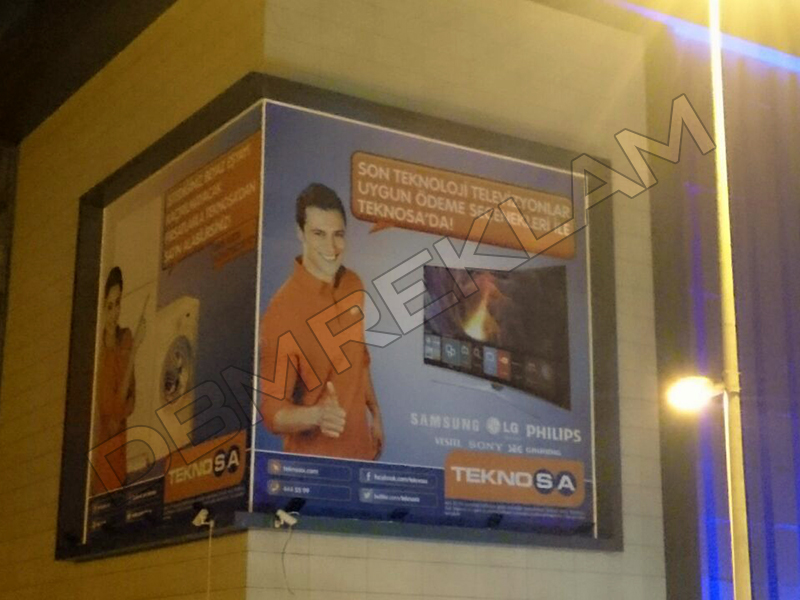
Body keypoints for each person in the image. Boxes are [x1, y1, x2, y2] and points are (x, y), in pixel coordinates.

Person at [259, 183, 384, 460]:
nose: (331, 247)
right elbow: (272, 412)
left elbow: (359, 359)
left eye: (338, 234)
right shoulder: (280, 312)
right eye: (319, 234)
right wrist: (317, 415)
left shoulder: (353, 284)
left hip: (362, 455)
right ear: (300, 233)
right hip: (312, 468)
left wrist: (375, 413)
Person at [91, 266, 146, 493]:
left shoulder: (126, 338)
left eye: (118, 303)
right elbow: (112, 411)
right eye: (109, 306)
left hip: (120, 453)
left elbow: (129, 403)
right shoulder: (99, 354)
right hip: (101, 456)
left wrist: (131, 350)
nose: (115, 313)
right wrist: (134, 354)